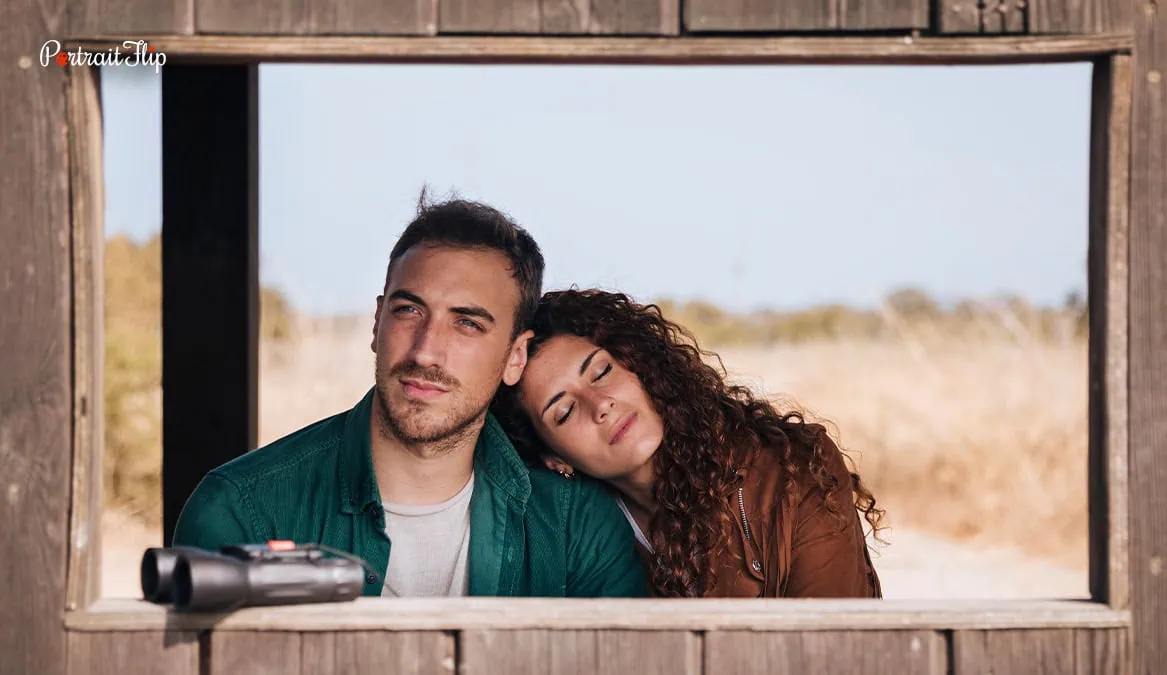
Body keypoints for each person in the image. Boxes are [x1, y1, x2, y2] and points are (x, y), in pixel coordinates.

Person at [173, 197, 646, 598]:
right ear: (377, 323)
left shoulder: (577, 528)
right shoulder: (242, 510)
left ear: (514, 358)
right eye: (409, 310)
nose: (425, 351)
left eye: (467, 323)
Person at [491, 288, 885, 598]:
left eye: (601, 371)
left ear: (638, 365)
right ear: (554, 458)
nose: (600, 405)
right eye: (563, 412)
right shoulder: (577, 544)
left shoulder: (793, 470)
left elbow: (835, 648)